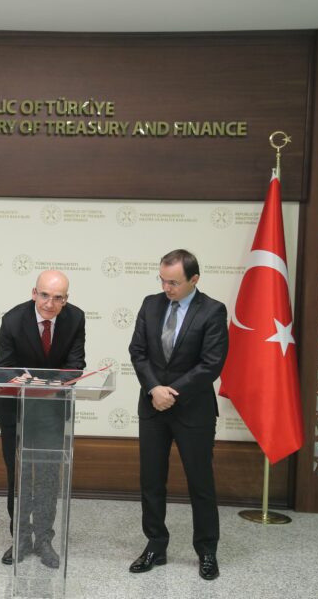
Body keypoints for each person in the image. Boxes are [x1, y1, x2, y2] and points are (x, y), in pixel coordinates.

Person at [128, 249, 228, 581]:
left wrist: (171, 392)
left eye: (173, 282)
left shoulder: (212, 310)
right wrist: (154, 389)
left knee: (201, 483)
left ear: (194, 279)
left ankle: (207, 550)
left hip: (193, 410)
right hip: (152, 406)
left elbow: (211, 363)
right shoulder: (150, 305)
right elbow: (138, 352)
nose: (166, 288)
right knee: (151, 481)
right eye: (162, 280)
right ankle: (156, 545)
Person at [0, 270, 86, 568]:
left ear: (66, 299)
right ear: (34, 293)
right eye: (44, 295)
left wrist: (52, 384)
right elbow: (4, 368)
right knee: (19, 476)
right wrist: (30, 383)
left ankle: (44, 539)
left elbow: (76, 364)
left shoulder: (76, 318)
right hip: (15, 410)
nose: (49, 303)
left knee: (47, 477)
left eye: (58, 298)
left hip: (52, 410)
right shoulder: (13, 320)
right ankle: (20, 538)